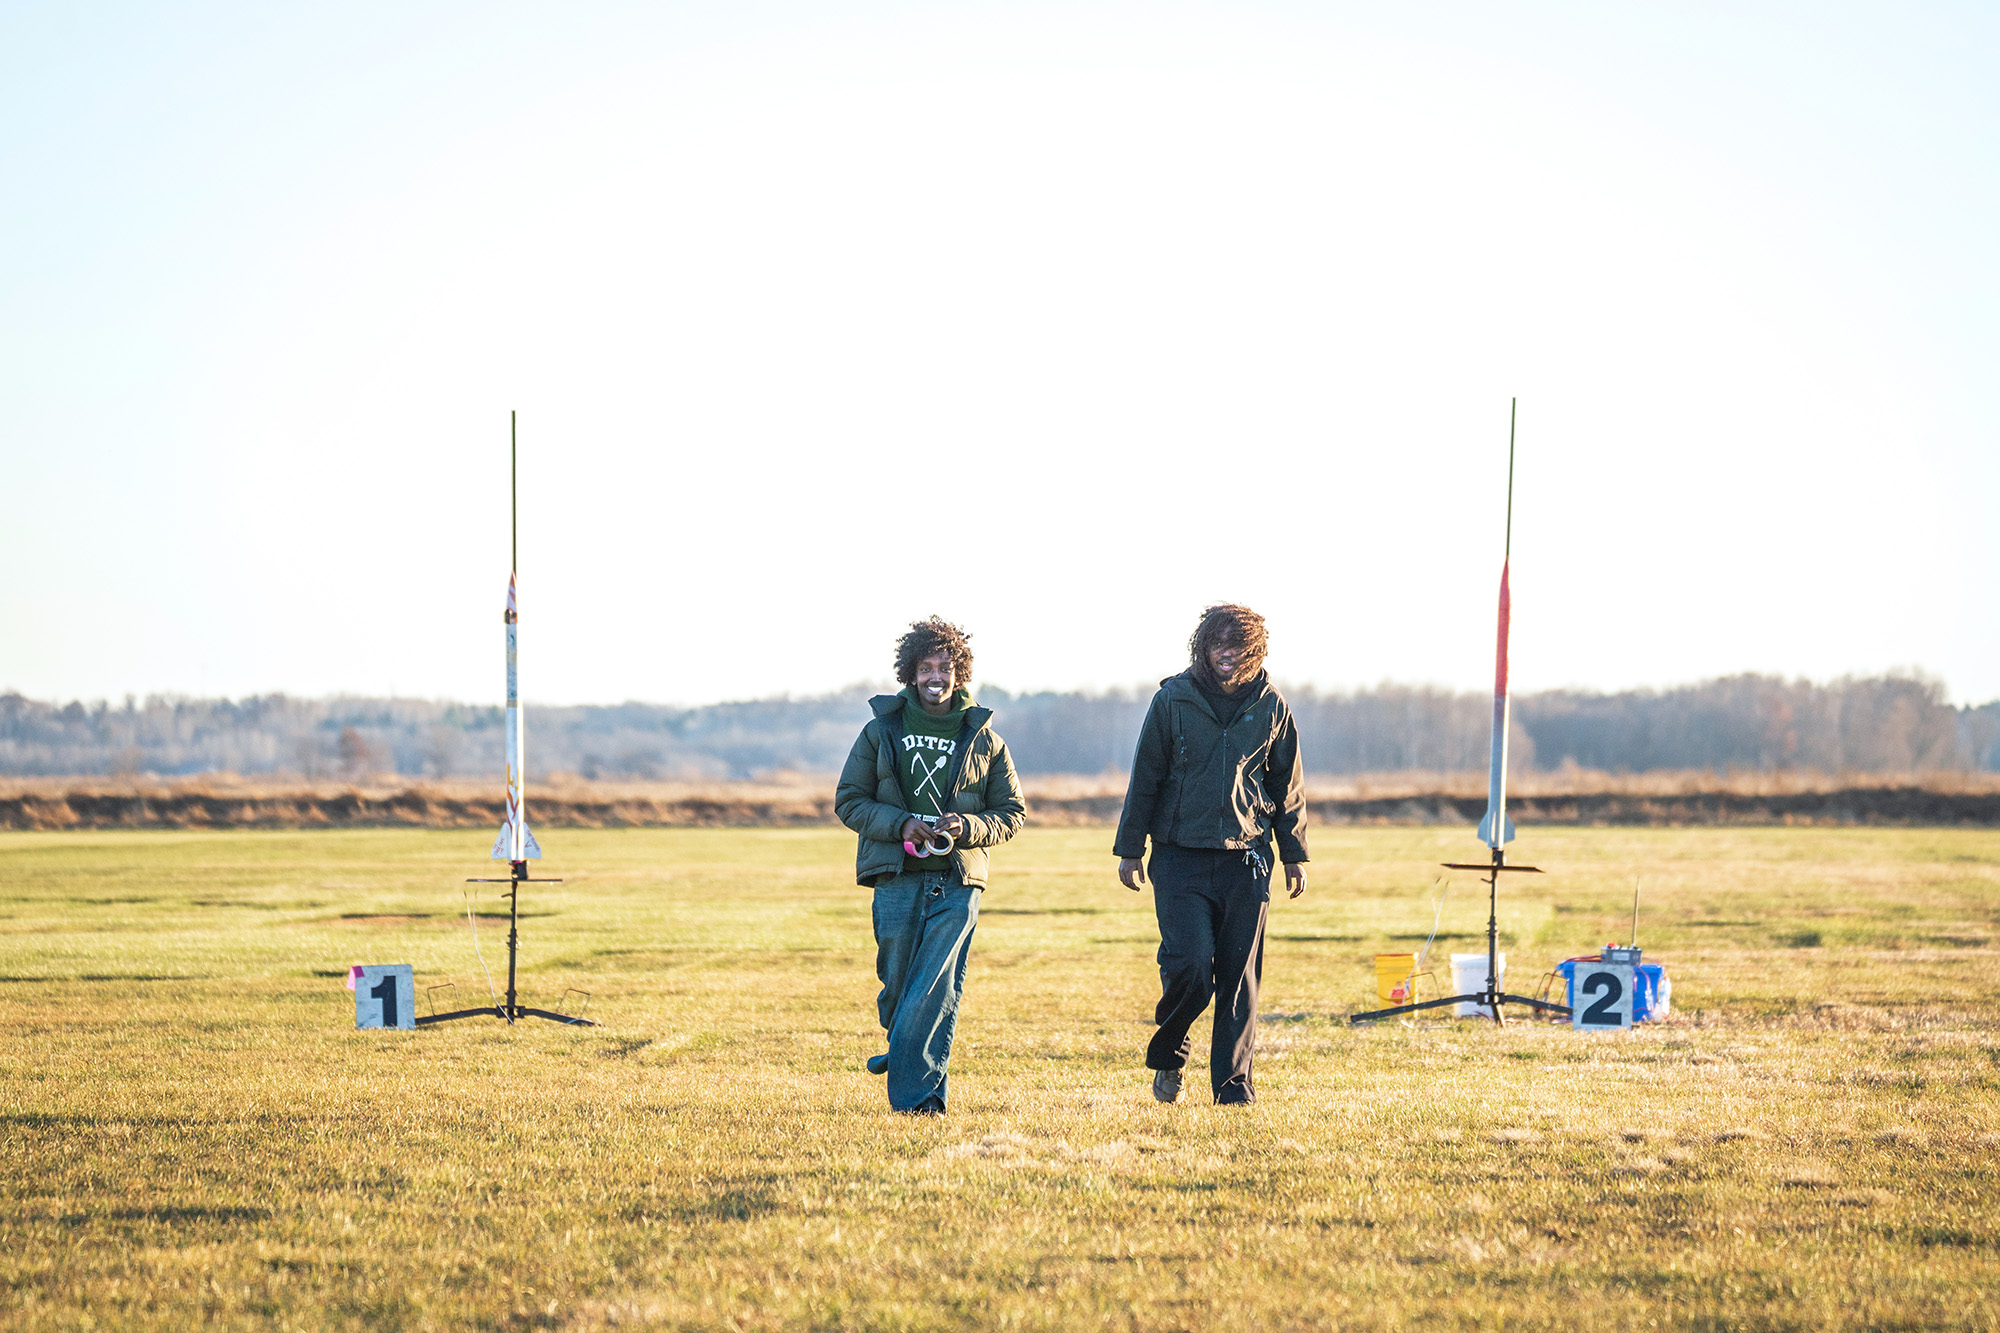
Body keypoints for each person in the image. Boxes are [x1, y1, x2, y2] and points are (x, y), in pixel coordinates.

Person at [1113, 604, 1308, 1106]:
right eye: (1220, 642)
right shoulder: (1173, 700)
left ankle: (1232, 1086)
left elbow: (1286, 786)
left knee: (1239, 979)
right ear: (1203, 645)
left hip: (1247, 858)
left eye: (1240, 644)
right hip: (1180, 858)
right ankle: (1169, 1056)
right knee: (1192, 966)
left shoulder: (1271, 704)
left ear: (1255, 650)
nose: (1229, 652)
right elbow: (1146, 776)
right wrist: (1131, 848)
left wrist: (1294, 853)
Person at [835, 617, 1026, 1115]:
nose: (936, 676)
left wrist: (967, 825)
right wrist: (899, 824)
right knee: (900, 985)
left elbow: (1012, 812)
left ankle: (918, 1101)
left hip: (959, 879)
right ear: (911, 673)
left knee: (935, 986)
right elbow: (849, 801)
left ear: (959, 672)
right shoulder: (881, 731)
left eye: (945, 667)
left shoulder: (987, 739)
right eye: (926, 668)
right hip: (896, 877)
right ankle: (900, 1048)